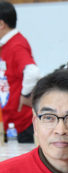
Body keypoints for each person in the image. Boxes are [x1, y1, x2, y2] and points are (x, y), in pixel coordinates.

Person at [0, 0, 40, 143]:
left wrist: (24, 94)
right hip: (11, 122)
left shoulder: (16, 45)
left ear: (1, 24)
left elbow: (33, 71)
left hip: (23, 122)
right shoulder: (5, 45)